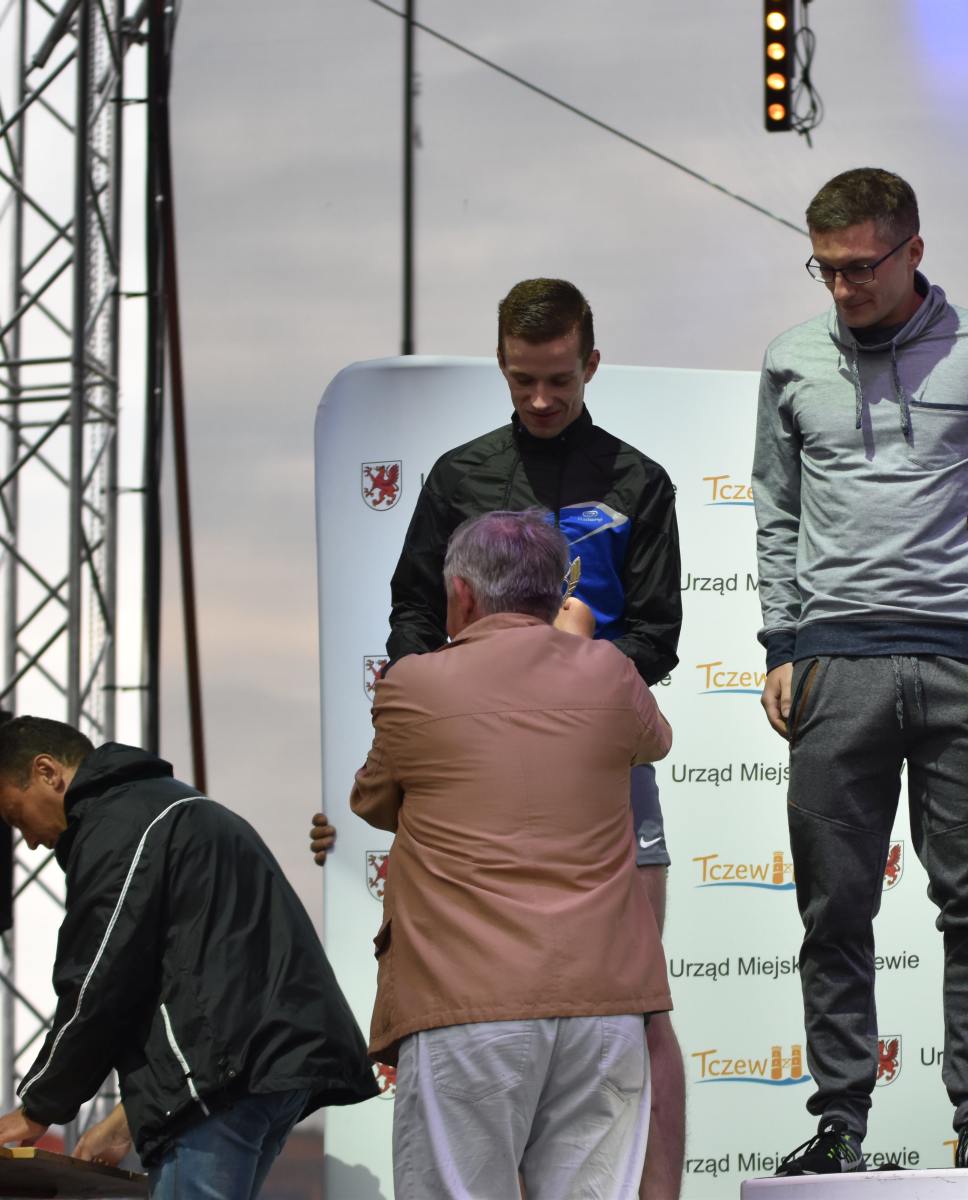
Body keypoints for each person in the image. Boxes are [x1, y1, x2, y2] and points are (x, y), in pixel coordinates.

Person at [312, 276, 687, 1198]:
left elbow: (658, 634)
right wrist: (452, 687)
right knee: (483, 991)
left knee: (630, 1000)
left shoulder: (640, 481)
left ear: (591, 364)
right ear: (501, 366)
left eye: (559, 379)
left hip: (597, 748)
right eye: (523, 381)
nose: (541, 399)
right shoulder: (459, 475)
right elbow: (412, 605)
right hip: (471, 748)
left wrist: (573, 670)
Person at [753, 166, 968, 1174]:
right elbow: (776, 511)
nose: (844, 287)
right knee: (834, 908)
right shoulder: (790, 359)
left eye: (862, 267)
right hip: (834, 660)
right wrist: (782, 645)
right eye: (826, 269)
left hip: (960, 659)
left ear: (914, 250)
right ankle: (839, 1125)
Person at [351, 509, 672, 1199]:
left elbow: (373, 801)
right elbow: (654, 741)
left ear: (462, 595)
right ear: (558, 592)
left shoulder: (412, 683)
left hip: (464, 1002)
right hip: (601, 1003)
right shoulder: (610, 671)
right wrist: (578, 650)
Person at [0, 715, 378, 1198]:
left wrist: (38, 1107)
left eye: (17, 817)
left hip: (226, 1080)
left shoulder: (118, 823)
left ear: (47, 772)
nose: (30, 841)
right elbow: (196, 974)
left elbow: (99, 977)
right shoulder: (173, 807)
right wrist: (125, 1119)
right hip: (270, 1067)